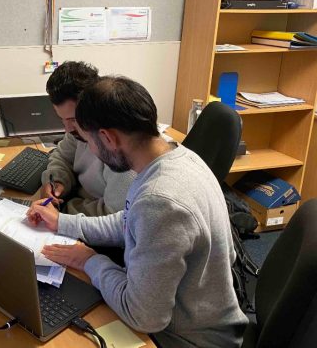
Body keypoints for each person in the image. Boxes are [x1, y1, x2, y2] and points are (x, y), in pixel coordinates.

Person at [27, 76, 248, 347]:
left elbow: (143, 317)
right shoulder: (178, 159)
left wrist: (90, 261)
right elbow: (129, 220)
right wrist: (63, 222)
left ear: (107, 138)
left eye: (90, 141)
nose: (92, 151)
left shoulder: (160, 200)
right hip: (187, 315)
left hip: (184, 338)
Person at [41, 61, 134, 216]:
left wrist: (63, 211)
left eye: (73, 119)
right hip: (78, 209)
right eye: (62, 119)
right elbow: (62, 156)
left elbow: (113, 217)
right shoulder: (77, 133)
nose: (68, 129)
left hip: (92, 225)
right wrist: (57, 181)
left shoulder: (118, 149)